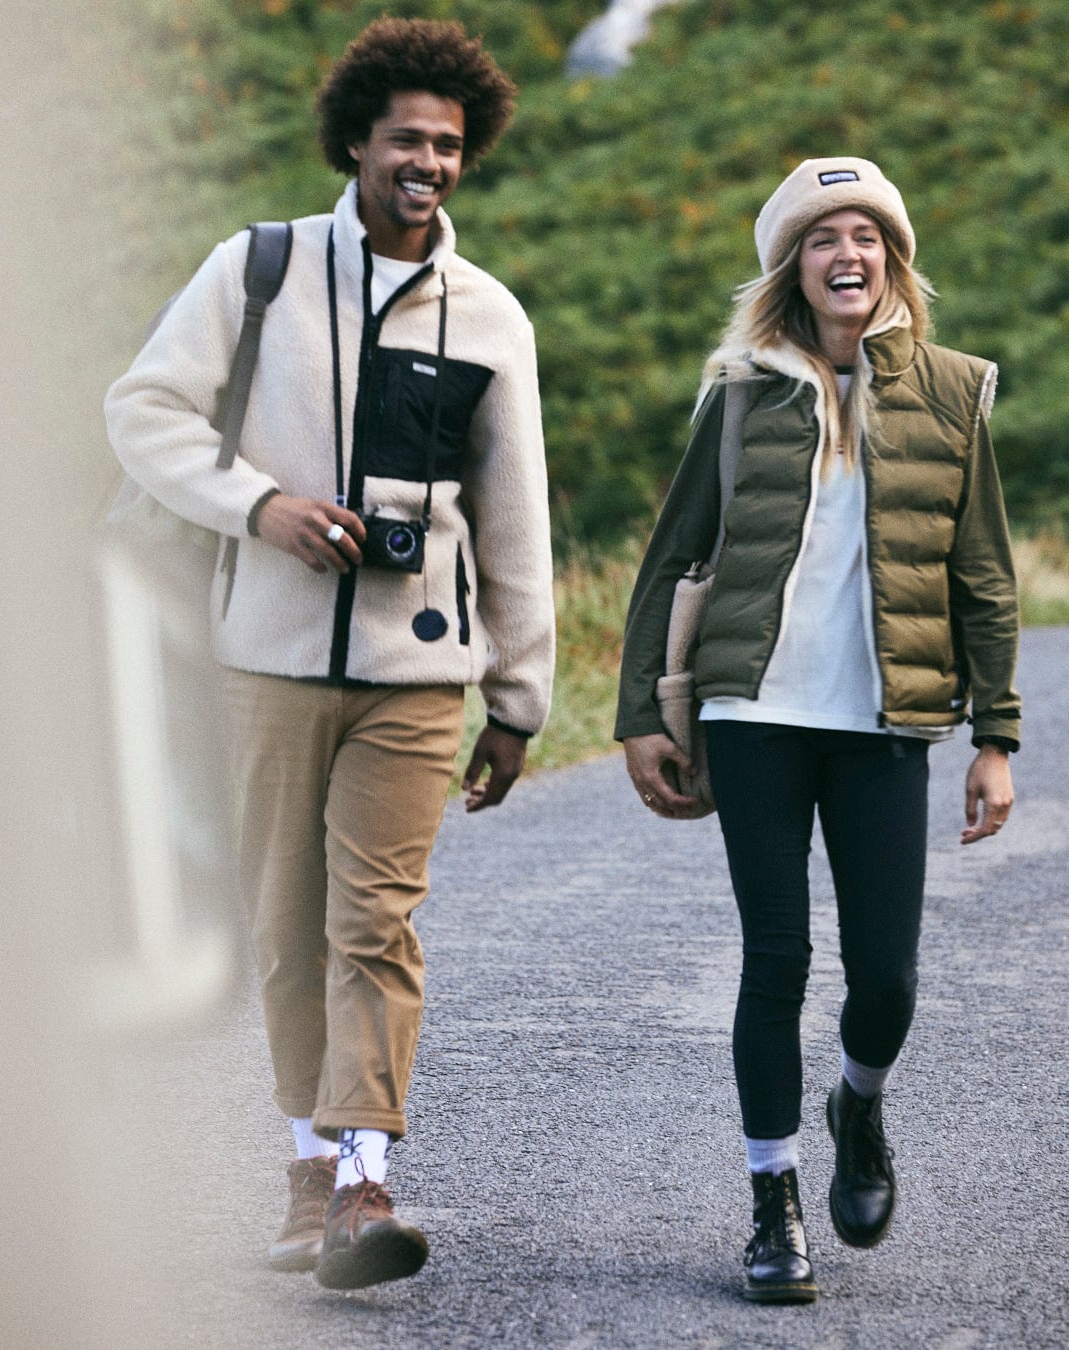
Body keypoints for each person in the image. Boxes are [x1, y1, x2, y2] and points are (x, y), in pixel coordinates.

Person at [105, 18, 554, 1292]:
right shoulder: (258, 269)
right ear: (355, 139)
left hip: (416, 680)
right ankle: (306, 1166)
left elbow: (515, 513)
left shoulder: (491, 318)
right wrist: (262, 506)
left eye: (451, 145)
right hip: (263, 658)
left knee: (377, 923)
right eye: (408, 137)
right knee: (284, 925)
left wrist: (519, 697)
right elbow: (143, 408)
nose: (430, 161)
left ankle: (365, 1175)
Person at [615, 157, 1019, 1304]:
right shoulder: (742, 395)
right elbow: (671, 557)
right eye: (821, 238)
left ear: (893, 260)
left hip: (887, 722)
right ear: (792, 269)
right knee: (775, 957)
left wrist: (999, 737)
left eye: (868, 237)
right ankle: (771, 1201)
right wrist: (644, 711)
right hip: (755, 715)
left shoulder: (951, 392)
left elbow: (985, 575)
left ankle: (860, 1101)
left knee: (885, 975)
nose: (849, 255)